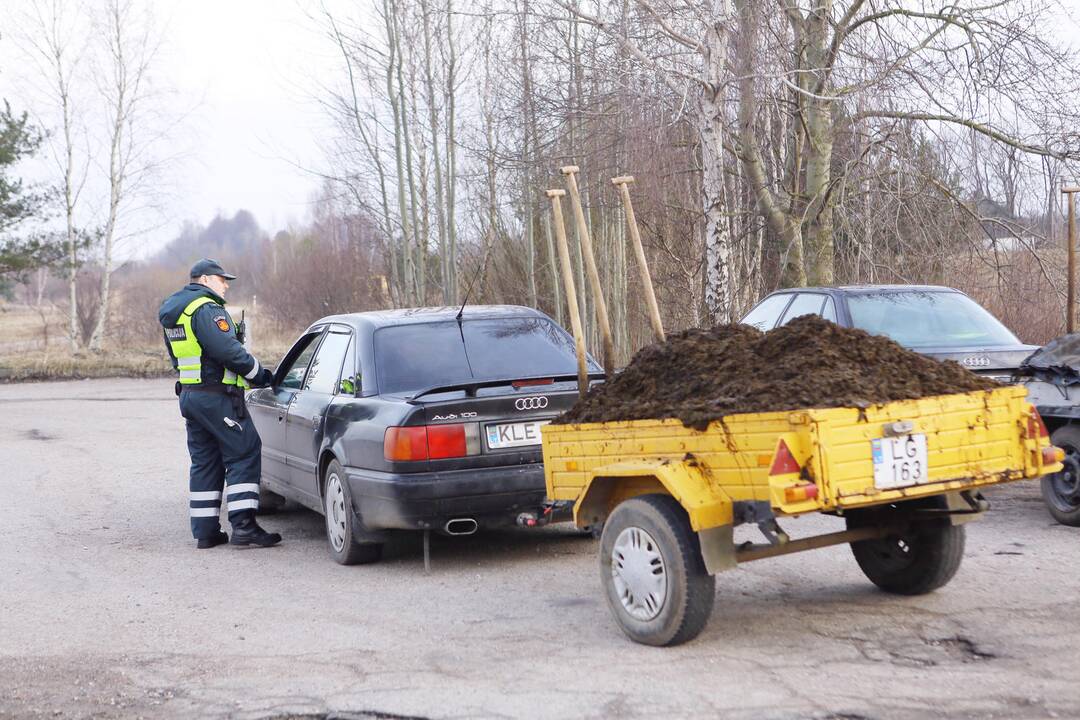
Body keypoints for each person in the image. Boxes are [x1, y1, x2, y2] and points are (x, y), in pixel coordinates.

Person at [158, 258, 282, 549]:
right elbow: (228, 350)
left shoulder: (174, 312)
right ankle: (244, 527)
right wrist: (260, 375)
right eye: (221, 279)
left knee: (205, 461)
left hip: (191, 395)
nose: (226, 284)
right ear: (203, 280)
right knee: (244, 451)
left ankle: (206, 532)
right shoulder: (205, 308)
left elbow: (177, 357)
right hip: (217, 397)